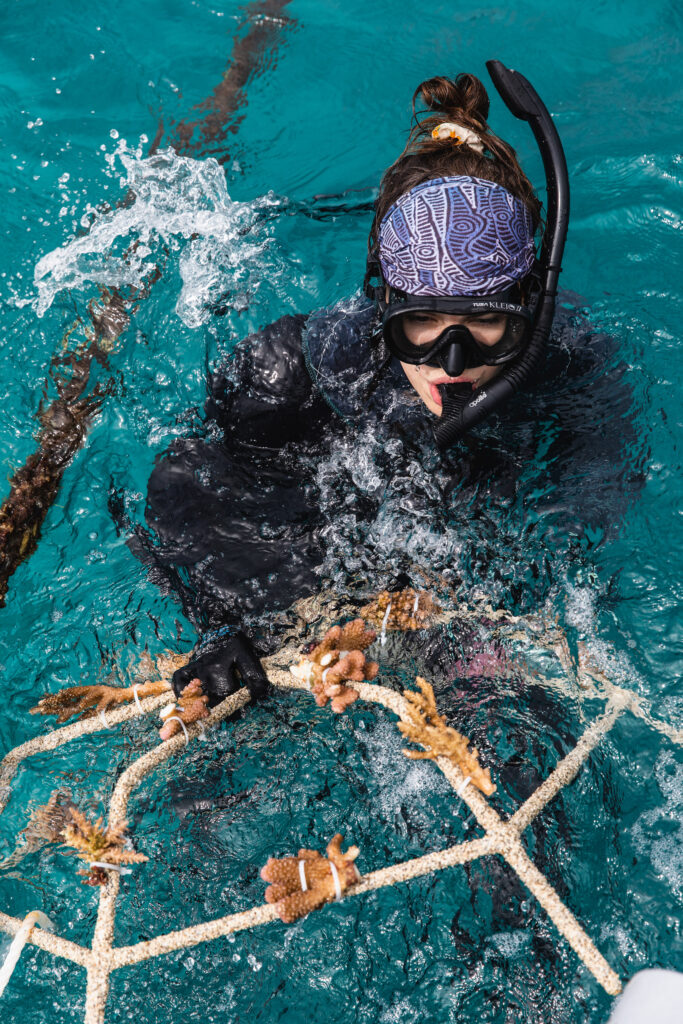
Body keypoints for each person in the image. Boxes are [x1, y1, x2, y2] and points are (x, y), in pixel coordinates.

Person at [133, 63, 639, 712]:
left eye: (485, 322)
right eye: (421, 322)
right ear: (383, 303)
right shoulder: (288, 374)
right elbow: (189, 494)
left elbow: (579, 531)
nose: (450, 363)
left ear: (527, 304)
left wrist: (455, 610)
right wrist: (226, 629)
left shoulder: (573, 366)